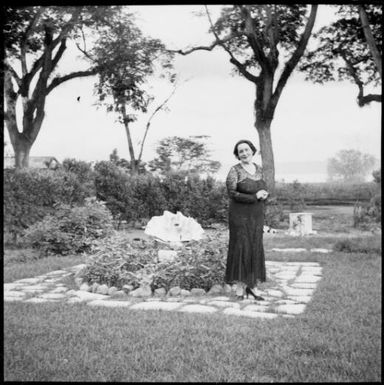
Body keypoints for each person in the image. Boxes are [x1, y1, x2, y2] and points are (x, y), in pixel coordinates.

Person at [225, 139, 269, 300]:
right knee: (241, 248)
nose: (244, 153)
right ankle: (239, 289)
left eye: (246, 149)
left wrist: (264, 194)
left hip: (256, 215)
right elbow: (232, 193)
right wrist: (253, 196)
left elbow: (263, 187)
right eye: (240, 151)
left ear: (252, 150)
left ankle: (252, 287)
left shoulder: (259, 169)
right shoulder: (234, 170)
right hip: (239, 216)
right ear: (237, 155)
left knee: (255, 248)